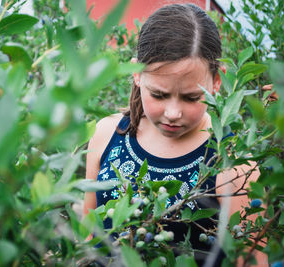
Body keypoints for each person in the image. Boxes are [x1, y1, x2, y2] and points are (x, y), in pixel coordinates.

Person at [83, 3, 268, 267]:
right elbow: (87, 233)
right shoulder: (106, 134)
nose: (173, 112)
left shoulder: (233, 162)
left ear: (217, 80)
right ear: (136, 74)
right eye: (159, 94)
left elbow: (250, 261)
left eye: (191, 97)